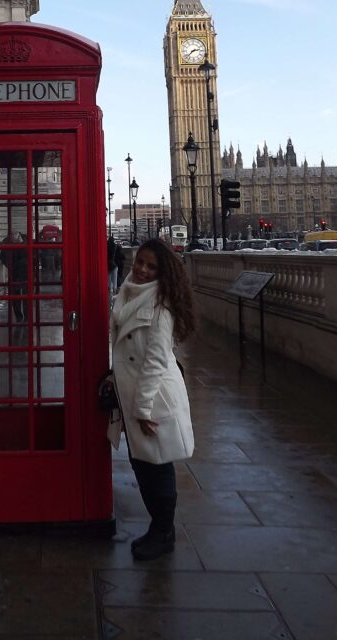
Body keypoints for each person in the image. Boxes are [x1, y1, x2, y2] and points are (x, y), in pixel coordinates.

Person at [107, 237, 195, 560]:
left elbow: (156, 361)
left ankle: (163, 531)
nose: (142, 269)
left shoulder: (159, 306)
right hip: (131, 391)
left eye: (151, 267)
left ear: (162, 273)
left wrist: (143, 409)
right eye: (140, 262)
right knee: (141, 463)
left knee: (157, 465)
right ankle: (158, 529)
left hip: (152, 398)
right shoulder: (128, 290)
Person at [0, 230, 28, 322]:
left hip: (26, 272)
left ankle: (27, 316)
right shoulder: (6, 243)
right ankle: (19, 316)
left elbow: (31, 255)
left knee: (26, 296)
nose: (18, 237)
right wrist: (10, 265)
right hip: (14, 273)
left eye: (19, 235)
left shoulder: (26, 240)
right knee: (15, 296)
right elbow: (2, 258)